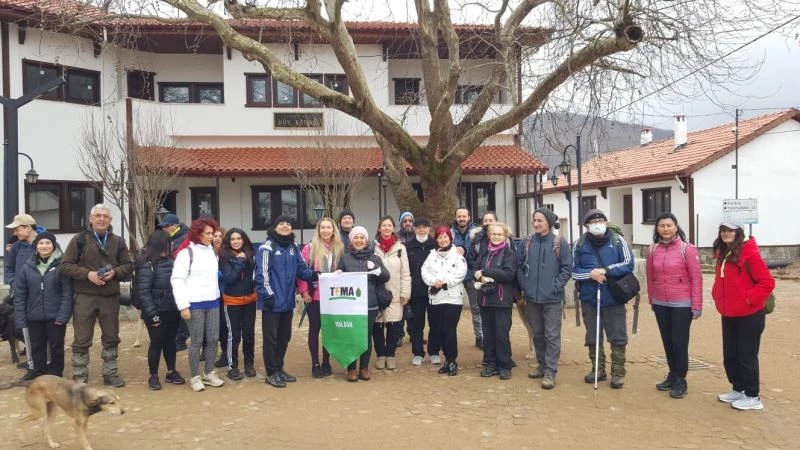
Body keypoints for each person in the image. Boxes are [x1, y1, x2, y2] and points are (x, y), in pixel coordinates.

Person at [60, 204, 134, 387]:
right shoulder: (79, 240)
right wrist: (88, 275)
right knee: (82, 338)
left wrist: (115, 273)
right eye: (98, 216)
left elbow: (129, 266)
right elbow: (65, 265)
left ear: (110, 220)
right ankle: (79, 375)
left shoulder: (118, 241)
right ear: (91, 218)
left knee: (111, 336)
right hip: (85, 296)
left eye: (105, 216)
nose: (101, 219)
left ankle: (110, 373)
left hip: (110, 297)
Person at [712, 219, 775, 411]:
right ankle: (738, 388)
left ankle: (753, 395)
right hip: (729, 312)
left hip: (749, 314)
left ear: (739, 232)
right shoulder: (724, 253)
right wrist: (716, 295)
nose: (726, 234)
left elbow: (767, 282)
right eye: (723, 230)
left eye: (730, 230)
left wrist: (747, 299)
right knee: (730, 354)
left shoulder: (750, 254)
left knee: (746, 355)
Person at [572, 208, 635, 389]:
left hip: (614, 296)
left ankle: (617, 372)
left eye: (600, 221)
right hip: (589, 297)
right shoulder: (579, 244)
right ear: (586, 226)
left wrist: (606, 270)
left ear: (606, 223)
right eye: (592, 222)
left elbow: (628, 264)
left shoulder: (618, 241)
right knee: (593, 335)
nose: (597, 224)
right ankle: (598, 368)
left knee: (617, 335)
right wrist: (590, 274)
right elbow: (573, 271)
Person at [255, 215, 317, 388]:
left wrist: (317, 273)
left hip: (288, 302)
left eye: (288, 224)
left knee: (284, 337)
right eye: (281, 223)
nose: (285, 226)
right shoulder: (266, 248)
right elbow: (262, 275)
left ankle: (279, 368)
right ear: (275, 227)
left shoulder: (293, 247)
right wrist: (268, 296)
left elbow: (302, 270)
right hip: (272, 303)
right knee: (271, 339)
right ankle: (271, 373)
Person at [645, 212, 703, 399]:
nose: (666, 229)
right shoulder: (652, 250)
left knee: (679, 342)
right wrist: (652, 299)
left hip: (682, 303)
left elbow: (696, 278)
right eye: (662, 226)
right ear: (657, 229)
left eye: (669, 225)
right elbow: (650, 277)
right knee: (667, 341)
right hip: (661, 302)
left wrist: (697, 304)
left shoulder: (687, 249)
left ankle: (681, 379)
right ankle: (672, 373)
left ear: (676, 227)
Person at [516, 208, 572, 389]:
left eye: (540, 220)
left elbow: (566, 268)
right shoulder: (527, 242)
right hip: (532, 297)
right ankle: (541, 364)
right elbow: (518, 265)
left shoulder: (559, 242)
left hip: (553, 299)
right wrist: (525, 285)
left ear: (548, 222)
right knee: (538, 333)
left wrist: (556, 286)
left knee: (552, 335)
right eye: (534, 220)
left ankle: (550, 371)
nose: (536, 224)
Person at [170, 217, 225, 392]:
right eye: (208, 233)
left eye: (213, 233)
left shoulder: (212, 251)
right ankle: (195, 375)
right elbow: (178, 279)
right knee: (197, 340)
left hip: (213, 302)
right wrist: (183, 306)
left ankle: (209, 372)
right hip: (194, 303)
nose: (212, 236)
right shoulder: (186, 253)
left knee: (213, 338)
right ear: (198, 233)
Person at [11, 232, 72, 380]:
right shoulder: (28, 266)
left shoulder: (62, 265)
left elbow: (67, 293)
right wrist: (20, 318)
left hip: (55, 316)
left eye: (47, 243)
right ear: (36, 246)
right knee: (36, 347)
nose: (44, 246)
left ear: (53, 245)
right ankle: (39, 374)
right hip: (33, 316)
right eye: (41, 243)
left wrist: (62, 316)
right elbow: (20, 294)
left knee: (56, 348)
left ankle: (55, 376)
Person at [133, 230, 185, 390]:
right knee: (156, 343)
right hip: (155, 312)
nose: (170, 246)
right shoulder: (146, 264)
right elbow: (144, 292)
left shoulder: (172, 261)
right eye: (168, 243)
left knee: (170, 342)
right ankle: (153, 375)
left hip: (172, 309)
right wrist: (152, 314)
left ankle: (171, 371)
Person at [338, 226, 390, 382]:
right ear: (351, 241)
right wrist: (337, 275)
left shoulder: (374, 258)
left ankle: (364, 368)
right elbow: (337, 279)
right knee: (351, 336)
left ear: (366, 240)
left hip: (370, 303)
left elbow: (386, 276)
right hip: (350, 305)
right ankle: (351, 368)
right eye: (356, 238)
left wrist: (376, 269)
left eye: (362, 238)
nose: (359, 240)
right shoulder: (345, 258)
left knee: (366, 336)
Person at [297, 218, 343, 378]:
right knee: (314, 330)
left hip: (333, 296)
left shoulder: (339, 248)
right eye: (322, 227)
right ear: (318, 230)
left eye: (328, 227)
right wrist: (304, 292)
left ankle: (326, 362)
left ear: (333, 230)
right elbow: (302, 273)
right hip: (314, 296)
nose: (325, 230)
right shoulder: (309, 248)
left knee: (329, 331)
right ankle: (315, 363)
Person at [474, 223, 518, 380]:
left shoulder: (510, 254)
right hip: (485, 299)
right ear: (489, 235)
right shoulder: (485, 253)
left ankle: (505, 365)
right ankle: (491, 363)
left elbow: (508, 275)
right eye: (494, 234)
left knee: (501, 334)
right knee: (488, 334)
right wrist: (479, 276)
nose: (497, 237)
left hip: (501, 300)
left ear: (505, 237)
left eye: (500, 234)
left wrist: (485, 272)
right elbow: (476, 270)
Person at [421, 226, 466, 376]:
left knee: (449, 330)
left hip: (453, 298)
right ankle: (447, 360)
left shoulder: (458, 255)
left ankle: (453, 360)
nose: (443, 239)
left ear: (450, 238)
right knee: (439, 329)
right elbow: (424, 271)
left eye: (445, 236)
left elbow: (460, 274)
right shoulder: (431, 255)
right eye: (440, 237)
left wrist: (444, 283)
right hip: (436, 298)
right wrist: (434, 281)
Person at [5, 213, 45, 378]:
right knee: (25, 330)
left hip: (42, 295)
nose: (15, 233)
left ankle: (45, 364)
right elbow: (8, 269)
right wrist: (15, 283)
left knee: (44, 331)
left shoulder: (46, 243)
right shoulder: (16, 247)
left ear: (28, 228)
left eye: (17, 229)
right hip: (22, 297)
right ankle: (32, 365)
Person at [372, 216, 411, 371]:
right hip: (377, 293)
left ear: (393, 228)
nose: (386, 228)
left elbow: (406, 273)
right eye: (384, 225)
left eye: (389, 225)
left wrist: (405, 293)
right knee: (378, 326)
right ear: (379, 228)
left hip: (395, 292)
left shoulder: (401, 248)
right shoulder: (372, 247)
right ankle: (380, 355)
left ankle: (390, 355)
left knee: (394, 325)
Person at [218, 228, 257, 381]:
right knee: (233, 336)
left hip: (250, 300)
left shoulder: (251, 254)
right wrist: (240, 261)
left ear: (244, 239)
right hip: (232, 301)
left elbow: (254, 274)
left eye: (239, 238)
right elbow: (229, 278)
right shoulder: (224, 256)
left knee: (249, 334)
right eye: (233, 239)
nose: (236, 241)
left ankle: (249, 364)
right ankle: (232, 366)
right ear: (229, 241)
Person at [452, 208, 483, 349]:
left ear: (469, 217)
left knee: (476, 308)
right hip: (455, 276)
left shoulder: (477, 231)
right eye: (459, 216)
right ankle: (449, 338)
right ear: (455, 218)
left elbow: (480, 252)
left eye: (464, 216)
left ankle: (480, 337)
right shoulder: (450, 232)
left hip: (472, 274)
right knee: (451, 308)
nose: (462, 218)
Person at [406, 217, 435, 366]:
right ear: (414, 229)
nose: (422, 230)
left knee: (435, 323)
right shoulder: (408, 246)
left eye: (425, 227)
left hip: (435, 291)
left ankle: (434, 351)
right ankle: (418, 353)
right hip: (416, 291)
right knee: (417, 324)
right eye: (419, 227)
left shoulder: (436, 245)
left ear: (429, 229)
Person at [164, 213, 190, 353]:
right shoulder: (170, 238)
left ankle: (181, 339)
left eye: (168, 226)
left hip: (183, 278)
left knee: (182, 308)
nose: (166, 228)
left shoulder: (184, 238)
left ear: (175, 225)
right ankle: (178, 337)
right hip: (172, 276)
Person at [396, 211, 416, 346]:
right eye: (405, 221)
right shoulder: (396, 238)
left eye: (410, 220)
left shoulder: (418, 236)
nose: (408, 223)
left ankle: (414, 334)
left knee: (414, 308)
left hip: (415, 276)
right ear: (401, 223)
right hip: (400, 276)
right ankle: (398, 335)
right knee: (401, 306)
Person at [212, 227, 229, 368]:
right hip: (211, 295)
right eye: (214, 235)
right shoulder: (208, 252)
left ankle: (225, 354)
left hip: (224, 294)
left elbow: (227, 274)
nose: (217, 238)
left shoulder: (226, 254)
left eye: (220, 236)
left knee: (224, 326)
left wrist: (215, 273)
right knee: (215, 326)